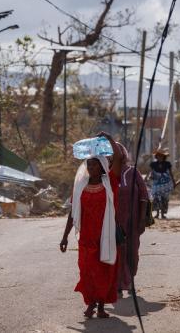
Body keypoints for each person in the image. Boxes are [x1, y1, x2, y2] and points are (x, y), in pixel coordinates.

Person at [60, 132, 123, 319]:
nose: (91, 167)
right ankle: (91, 304)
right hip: (87, 238)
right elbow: (73, 213)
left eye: (94, 164)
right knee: (87, 271)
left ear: (102, 167)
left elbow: (118, 157)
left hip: (106, 235)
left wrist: (110, 139)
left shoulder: (110, 182)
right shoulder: (80, 186)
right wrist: (64, 237)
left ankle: (101, 306)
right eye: (88, 164)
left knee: (104, 271)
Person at [115, 144, 149, 295]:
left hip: (133, 221)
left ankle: (131, 280)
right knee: (118, 252)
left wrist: (142, 219)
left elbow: (144, 196)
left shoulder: (133, 172)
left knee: (132, 251)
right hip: (115, 222)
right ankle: (120, 284)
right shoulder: (105, 173)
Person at [147, 149, 175, 219]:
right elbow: (151, 172)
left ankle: (162, 214)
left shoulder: (167, 164)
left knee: (164, 199)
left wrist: (174, 182)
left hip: (166, 184)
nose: (160, 157)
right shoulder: (153, 164)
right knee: (156, 199)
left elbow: (171, 173)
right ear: (156, 156)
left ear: (164, 157)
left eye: (161, 156)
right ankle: (157, 214)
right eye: (158, 156)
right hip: (156, 184)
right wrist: (148, 178)